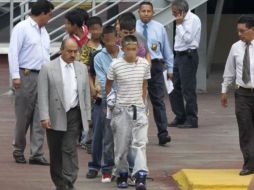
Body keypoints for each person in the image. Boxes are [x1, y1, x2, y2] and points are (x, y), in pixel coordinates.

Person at [38, 38, 91, 189]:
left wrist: (87, 117)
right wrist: (44, 116)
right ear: (61, 50)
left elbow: (85, 93)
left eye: (75, 51)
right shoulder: (48, 68)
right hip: (54, 114)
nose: (73, 54)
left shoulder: (81, 68)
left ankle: (69, 181)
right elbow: (42, 94)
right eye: (69, 51)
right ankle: (59, 182)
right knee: (55, 151)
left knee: (69, 148)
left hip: (74, 113)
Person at [8, 0, 54, 165]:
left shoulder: (44, 32)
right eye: (49, 14)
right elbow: (13, 52)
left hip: (42, 75)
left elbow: (46, 56)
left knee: (40, 116)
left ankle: (37, 153)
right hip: (26, 74)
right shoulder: (22, 27)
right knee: (23, 115)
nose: (50, 18)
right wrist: (15, 76)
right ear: (42, 13)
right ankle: (18, 149)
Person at [106, 35, 150, 190]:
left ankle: (140, 175)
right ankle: (122, 174)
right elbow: (109, 85)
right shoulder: (115, 65)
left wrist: (144, 105)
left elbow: (144, 85)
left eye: (134, 49)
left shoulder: (144, 64)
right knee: (122, 145)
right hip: (121, 109)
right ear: (123, 49)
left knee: (140, 143)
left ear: (138, 49)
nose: (132, 52)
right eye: (128, 49)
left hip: (139, 108)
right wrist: (112, 104)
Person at [86, 26, 122, 182]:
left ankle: (118, 167)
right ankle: (95, 165)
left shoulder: (125, 54)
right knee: (99, 134)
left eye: (112, 40)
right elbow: (100, 78)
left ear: (117, 37)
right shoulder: (98, 56)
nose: (109, 43)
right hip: (104, 99)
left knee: (120, 136)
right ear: (102, 40)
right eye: (106, 41)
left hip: (123, 99)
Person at [221, 15, 254, 176]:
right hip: (242, 94)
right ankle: (249, 164)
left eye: (243, 31)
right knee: (245, 129)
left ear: (252, 30)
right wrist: (224, 90)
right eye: (238, 31)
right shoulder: (236, 47)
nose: (240, 34)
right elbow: (229, 70)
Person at [136, 1, 173, 145]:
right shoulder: (134, 28)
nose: (146, 13)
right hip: (138, 66)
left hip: (156, 66)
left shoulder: (159, 28)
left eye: (148, 11)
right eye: (143, 11)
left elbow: (167, 50)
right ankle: (139, 135)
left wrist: (170, 69)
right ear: (139, 12)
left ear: (153, 12)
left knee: (158, 101)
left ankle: (163, 134)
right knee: (139, 101)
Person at [168, 0, 201, 129]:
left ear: (182, 11)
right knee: (175, 87)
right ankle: (180, 116)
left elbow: (188, 39)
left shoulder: (193, 20)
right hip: (178, 55)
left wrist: (179, 24)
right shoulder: (179, 20)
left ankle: (192, 119)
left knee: (188, 88)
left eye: (175, 12)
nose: (173, 14)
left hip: (188, 55)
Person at [79, 16, 103, 153]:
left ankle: (97, 139)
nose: (96, 32)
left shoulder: (106, 44)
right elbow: (84, 66)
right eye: (92, 29)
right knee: (91, 113)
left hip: (103, 83)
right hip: (90, 83)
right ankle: (88, 140)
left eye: (98, 29)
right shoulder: (86, 47)